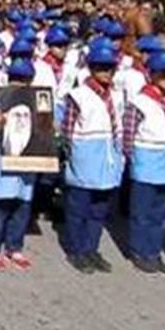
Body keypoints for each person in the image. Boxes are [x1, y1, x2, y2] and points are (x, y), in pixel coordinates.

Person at [61, 40, 126, 275]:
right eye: (101, 68)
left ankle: (91, 248)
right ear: (91, 68)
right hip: (85, 159)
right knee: (79, 209)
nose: (106, 72)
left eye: (110, 68)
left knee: (99, 210)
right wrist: (73, 154)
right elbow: (67, 131)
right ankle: (76, 250)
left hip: (108, 158)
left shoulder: (117, 95)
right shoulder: (78, 95)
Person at [121, 50, 165, 275]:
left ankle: (154, 251)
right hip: (147, 161)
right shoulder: (140, 102)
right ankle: (139, 251)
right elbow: (128, 135)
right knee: (142, 212)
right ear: (151, 74)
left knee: (161, 212)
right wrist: (132, 160)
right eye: (162, 73)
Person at [0, 58, 39, 271]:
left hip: (28, 162)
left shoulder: (36, 100)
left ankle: (14, 247)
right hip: (3, 163)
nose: (21, 84)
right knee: (0, 207)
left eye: (25, 80)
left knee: (22, 206)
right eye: (17, 79)